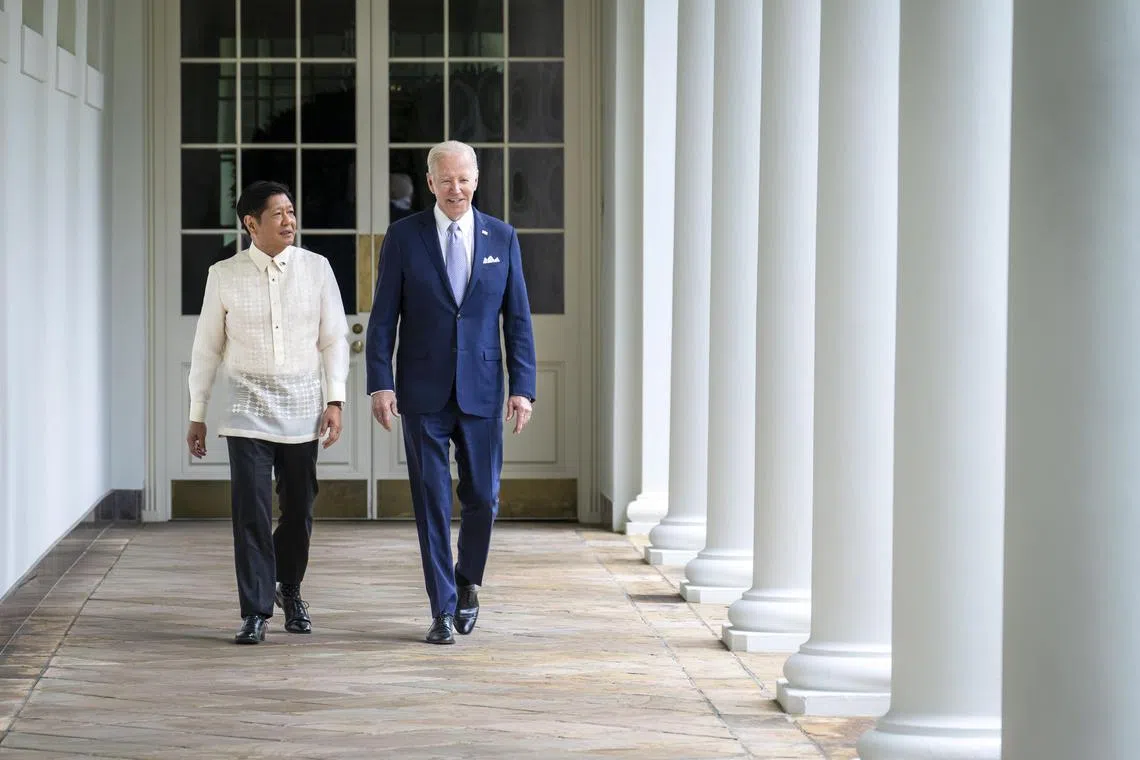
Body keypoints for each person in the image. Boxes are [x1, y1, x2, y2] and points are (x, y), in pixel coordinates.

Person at [366, 140, 537, 644]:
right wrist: (381, 383)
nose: (455, 188)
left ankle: (467, 582)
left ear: (476, 180)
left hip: (483, 390)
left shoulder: (502, 238)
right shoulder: (403, 237)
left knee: (483, 497)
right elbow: (382, 319)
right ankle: (440, 608)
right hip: (421, 392)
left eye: (463, 179)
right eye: (446, 180)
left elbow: (518, 320)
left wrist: (523, 388)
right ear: (430, 182)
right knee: (432, 500)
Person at [186, 180, 349, 645]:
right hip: (245, 410)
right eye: (277, 213)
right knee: (251, 511)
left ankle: (290, 588)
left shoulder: (317, 269)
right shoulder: (224, 274)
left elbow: (333, 338)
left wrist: (334, 400)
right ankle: (255, 609)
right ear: (250, 223)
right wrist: (197, 411)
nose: (289, 221)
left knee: (298, 509)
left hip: (302, 407)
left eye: (291, 211)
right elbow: (206, 348)